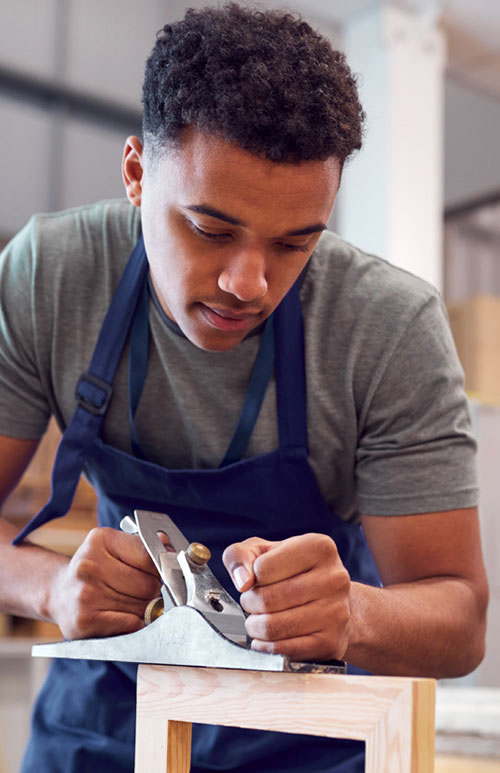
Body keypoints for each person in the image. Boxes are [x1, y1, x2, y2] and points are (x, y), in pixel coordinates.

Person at [0, 3, 488, 772]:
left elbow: (459, 620)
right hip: (107, 715)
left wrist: (354, 611)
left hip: (314, 729)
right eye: (210, 228)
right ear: (135, 173)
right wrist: (52, 587)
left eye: (295, 242)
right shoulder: (50, 276)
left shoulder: (387, 327)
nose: (247, 283)